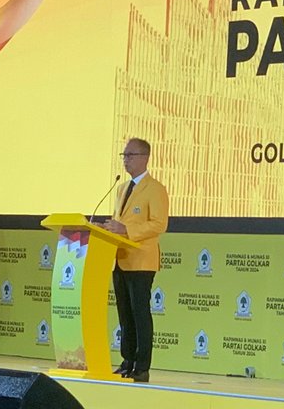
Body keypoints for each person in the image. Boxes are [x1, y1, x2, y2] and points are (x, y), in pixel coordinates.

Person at [102, 137, 169, 383]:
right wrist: (108, 228)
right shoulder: (122, 188)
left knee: (140, 315)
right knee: (124, 315)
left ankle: (142, 367)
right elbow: (119, 221)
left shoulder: (155, 188)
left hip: (141, 261)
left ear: (145, 158)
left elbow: (159, 224)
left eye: (130, 155)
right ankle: (127, 361)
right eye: (124, 155)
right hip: (120, 259)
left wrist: (126, 230)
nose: (126, 160)